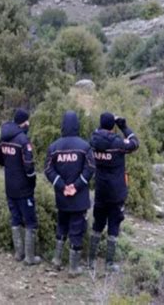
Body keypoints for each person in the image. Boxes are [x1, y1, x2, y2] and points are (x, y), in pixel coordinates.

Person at [45, 111, 95, 277]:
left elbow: (48, 169)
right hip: (78, 197)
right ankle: (73, 268)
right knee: (76, 229)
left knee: (61, 225)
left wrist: (61, 185)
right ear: (77, 125)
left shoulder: (54, 147)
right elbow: (90, 169)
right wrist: (76, 185)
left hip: (62, 196)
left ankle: (56, 260)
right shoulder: (84, 146)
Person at [88, 112, 139, 273]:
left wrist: (105, 126)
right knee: (114, 225)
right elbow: (135, 143)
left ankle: (91, 261)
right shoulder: (117, 143)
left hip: (101, 190)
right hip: (116, 191)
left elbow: (98, 131)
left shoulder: (93, 140)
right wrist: (123, 126)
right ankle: (109, 264)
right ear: (113, 127)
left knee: (97, 224)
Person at [0, 109, 41, 265]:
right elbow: (29, 166)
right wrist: (32, 180)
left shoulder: (4, 137)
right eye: (28, 121)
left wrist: (9, 164)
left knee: (15, 218)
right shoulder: (23, 141)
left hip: (9, 185)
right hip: (23, 188)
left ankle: (18, 253)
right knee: (30, 221)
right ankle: (29, 257)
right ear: (24, 122)